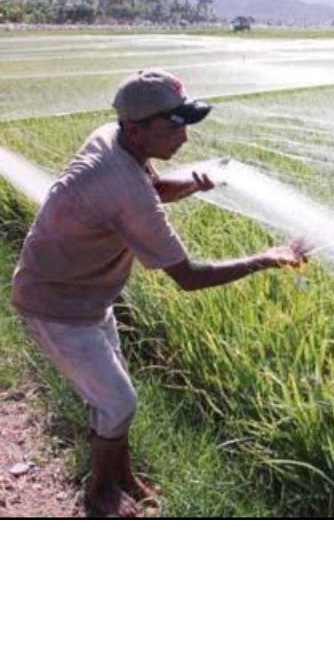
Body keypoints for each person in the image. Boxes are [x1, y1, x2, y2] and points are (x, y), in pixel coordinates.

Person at [10, 69, 308, 518]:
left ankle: (121, 475)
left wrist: (196, 181)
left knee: (113, 398)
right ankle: (99, 494)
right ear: (137, 128)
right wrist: (267, 257)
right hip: (54, 305)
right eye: (174, 125)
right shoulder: (122, 188)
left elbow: (154, 187)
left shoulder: (112, 136)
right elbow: (189, 277)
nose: (185, 138)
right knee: (118, 401)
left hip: (85, 294)